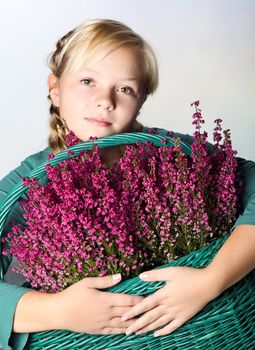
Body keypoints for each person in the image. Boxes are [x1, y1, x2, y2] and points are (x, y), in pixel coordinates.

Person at [0, 19, 254, 350]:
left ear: (142, 99)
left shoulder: (173, 156)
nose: (105, 100)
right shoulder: (26, 186)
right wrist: (57, 310)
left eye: (125, 88)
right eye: (88, 80)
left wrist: (212, 279)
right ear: (56, 88)